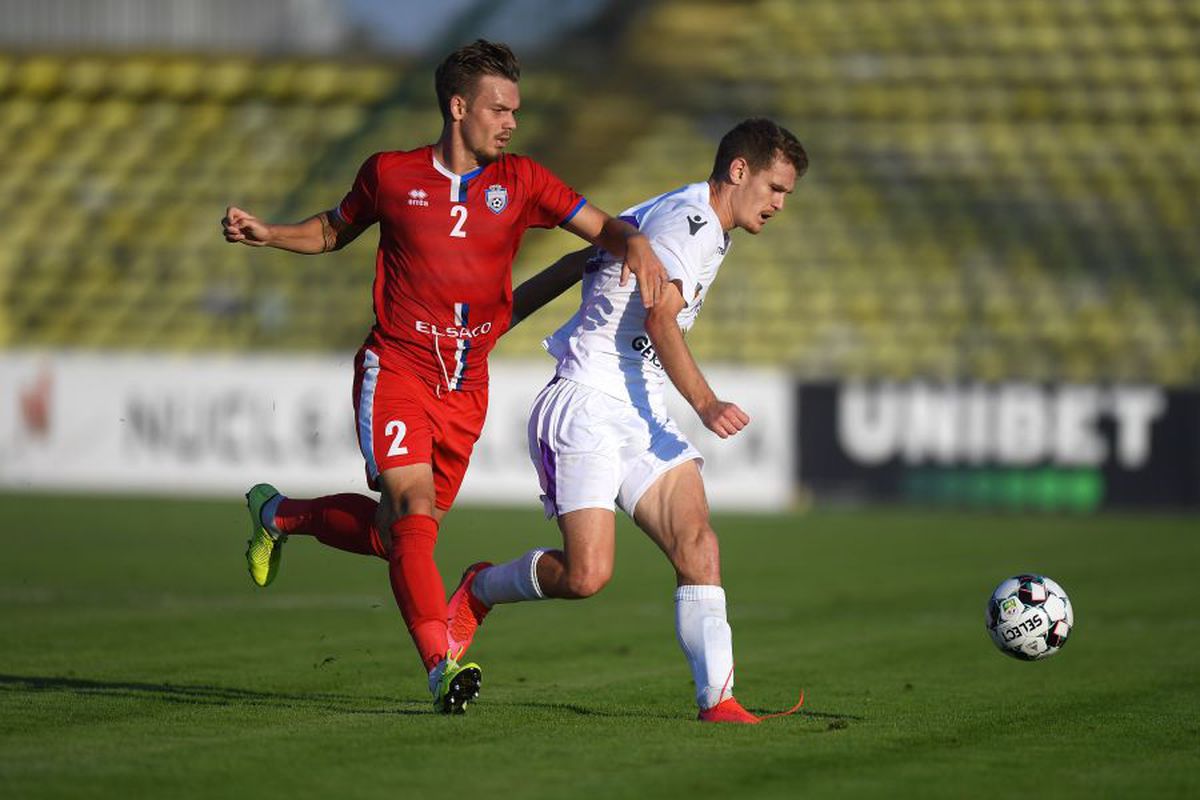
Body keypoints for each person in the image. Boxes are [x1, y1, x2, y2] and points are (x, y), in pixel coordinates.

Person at [220, 39, 668, 714]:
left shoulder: (523, 181)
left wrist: (632, 242)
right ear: (459, 107)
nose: (511, 121)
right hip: (396, 366)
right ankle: (441, 666)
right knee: (414, 517)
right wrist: (269, 233)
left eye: (515, 109)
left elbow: (603, 227)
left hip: (466, 388)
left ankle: (277, 513)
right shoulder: (390, 175)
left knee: (389, 534)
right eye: (499, 108)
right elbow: (333, 229)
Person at [445, 118, 808, 723]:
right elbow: (662, 322)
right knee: (586, 576)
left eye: (786, 195)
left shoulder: (682, 214)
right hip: (586, 402)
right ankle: (480, 588)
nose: (778, 204)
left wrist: (495, 324)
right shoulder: (688, 226)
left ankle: (718, 701)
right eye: (775, 187)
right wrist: (708, 404)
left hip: (640, 408)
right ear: (739, 171)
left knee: (698, 543)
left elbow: (575, 262)